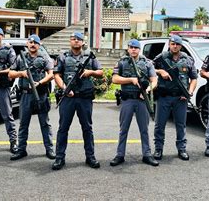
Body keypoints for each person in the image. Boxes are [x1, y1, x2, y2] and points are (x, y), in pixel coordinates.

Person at [51, 32, 103, 170]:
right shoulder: (63, 57)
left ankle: (90, 157)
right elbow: (56, 74)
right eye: (73, 39)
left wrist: (89, 72)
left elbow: (100, 72)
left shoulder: (89, 57)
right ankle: (59, 158)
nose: (75, 41)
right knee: (63, 128)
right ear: (70, 41)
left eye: (78, 39)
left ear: (82, 42)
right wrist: (65, 88)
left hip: (84, 98)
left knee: (87, 128)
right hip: (68, 98)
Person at [110, 39, 158, 167]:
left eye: (135, 48)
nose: (133, 50)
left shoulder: (147, 63)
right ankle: (120, 155)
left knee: (144, 129)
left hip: (142, 100)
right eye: (131, 47)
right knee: (123, 129)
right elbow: (114, 79)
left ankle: (147, 154)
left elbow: (154, 80)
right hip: (127, 100)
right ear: (128, 48)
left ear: (139, 49)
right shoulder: (122, 62)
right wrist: (130, 79)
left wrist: (147, 90)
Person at [9, 34, 55, 161]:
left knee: (45, 123)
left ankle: (49, 149)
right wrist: (21, 73)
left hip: (41, 94)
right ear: (27, 44)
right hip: (26, 95)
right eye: (30, 42)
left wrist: (40, 82)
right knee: (23, 124)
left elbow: (51, 75)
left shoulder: (44, 57)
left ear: (39, 44)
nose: (33, 44)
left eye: (35, 42)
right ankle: (21, 150)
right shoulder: (20, 58)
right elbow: (11, 73)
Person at [152, 35, 197, 161]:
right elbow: (149, 68)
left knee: (181, 125)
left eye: (177, 44)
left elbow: (194, 78)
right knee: (159, 125)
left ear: (181, 46)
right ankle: (158, 149)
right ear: (169, 44)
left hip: (180, 98)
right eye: (172, 44)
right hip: (164, 97)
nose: (175, 46)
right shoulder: (161, 58)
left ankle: (182, 149)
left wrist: (190, 92)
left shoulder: (187, 59)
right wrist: (160, 71)